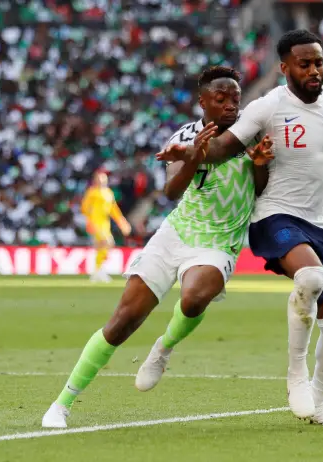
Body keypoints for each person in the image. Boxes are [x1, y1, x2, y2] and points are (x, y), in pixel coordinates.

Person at [158, 30, 323, 427]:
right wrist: (189, 153)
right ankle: (295, 375)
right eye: (305, 64)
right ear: (285, 68)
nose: (315, 70)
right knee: (311, 276)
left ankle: (318, 403)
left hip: (320, 221)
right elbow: (224, 147)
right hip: (274, 215)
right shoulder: (267, 107)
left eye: (318, 62)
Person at [42, 66, 273, 428]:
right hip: (176, 235)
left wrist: (260, 164)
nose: (231, 105)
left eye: (235, 99)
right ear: (203, 102)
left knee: (194, 298)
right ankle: (62, 403)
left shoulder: (252, 133)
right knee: (122, 322)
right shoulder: (185, 135)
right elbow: (171, 192)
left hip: (219, 242)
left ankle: (163, 347)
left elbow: (259, 190)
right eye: (221, 99)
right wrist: (193, 156)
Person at [81, 170, 132, 282]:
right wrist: (89, 222)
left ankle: (98, 271)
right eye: (99, 178)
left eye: (103, 178)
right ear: (95, 180)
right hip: (96, 222)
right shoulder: (92, 192)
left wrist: (122, 222)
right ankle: (98, 270)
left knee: (102, 246)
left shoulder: (109, 192)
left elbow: (113, 210)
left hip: (105, 223)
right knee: (108, 242)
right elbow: (84, 208)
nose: (101, 180)